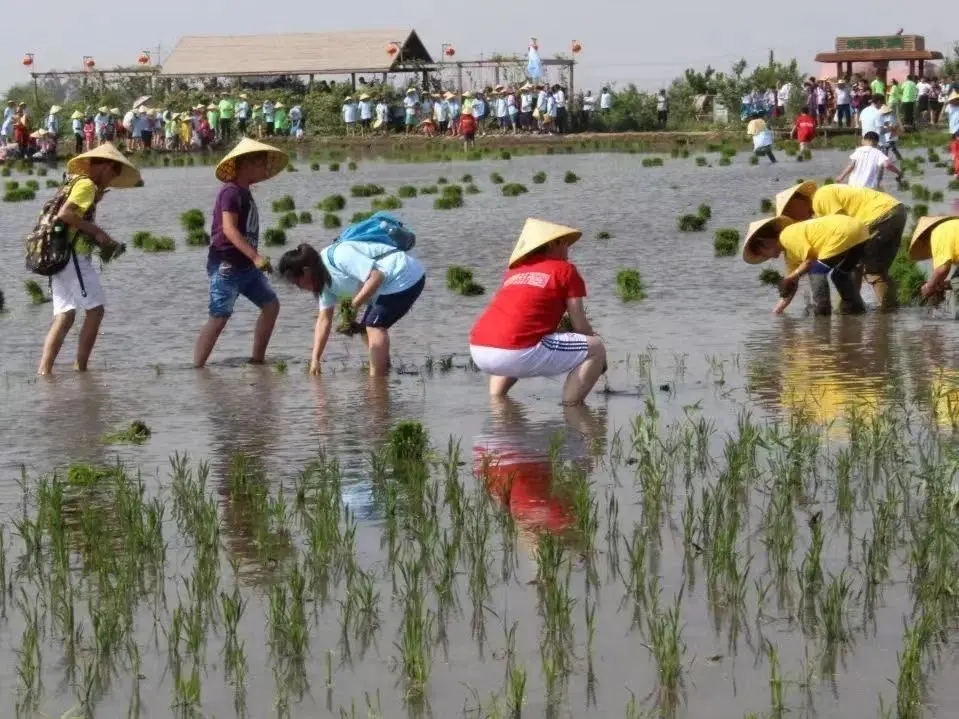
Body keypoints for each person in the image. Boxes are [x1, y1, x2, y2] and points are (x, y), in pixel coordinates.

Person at [468, 218, 607, 405]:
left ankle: (497, 405)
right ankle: (572, 409)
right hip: (515, 351)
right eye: (565, 243)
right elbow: (580, 325)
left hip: (479, 348)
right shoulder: (565, 270)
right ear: (552, 244)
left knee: (516, 345)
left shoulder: (515, 271)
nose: (568, 250)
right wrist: (599, 360)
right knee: (595, 348)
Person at [37, 143, 138, 375]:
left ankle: (45, 371)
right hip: (72, 257)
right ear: (103, 167)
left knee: (65, 315)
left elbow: (69, 213)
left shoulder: (76, 183)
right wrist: (98, 233)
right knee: (96, 310)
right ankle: (81, 368)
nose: (113, 178)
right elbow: (66, 214)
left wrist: (95, 201)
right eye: (114, 172)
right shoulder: (86, 185)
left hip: (57, 255)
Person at [277, 226, 426, 377]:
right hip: (387, 286)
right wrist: (315, 359)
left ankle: (377, 381)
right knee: (365, 330)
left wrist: (353, 305)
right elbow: (324, 320)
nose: (299, 287)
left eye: (297, 282)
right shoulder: (322, 283)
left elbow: (376, 277)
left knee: (374, 327)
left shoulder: (339, 255)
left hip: (404, 275)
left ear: (306, 271)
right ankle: (384, 369)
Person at [194, 138, 285, 369]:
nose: (264, 170)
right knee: (219, 316)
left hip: (246, 267)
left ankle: (257, 360)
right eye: (261, 164)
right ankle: (197, 368)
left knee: (271, 305)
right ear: (246, 165)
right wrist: (256, 257)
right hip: (227, 265)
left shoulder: (245, 192)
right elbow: (229, 229)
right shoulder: (231, 192)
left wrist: (253, 259)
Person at [775, 181, 906, 309]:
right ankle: (856, 307)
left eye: (791, 213)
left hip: (878, 215)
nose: (795, 220)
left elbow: (844, 226)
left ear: (797, 203)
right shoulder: (820, 204)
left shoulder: (820, 197)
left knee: (872, 270)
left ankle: (888, 313)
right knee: (861, 267)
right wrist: (779, 308)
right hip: (895, 211)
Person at [741, 214, 871, 315]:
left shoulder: (786, 236)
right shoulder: (790, 254)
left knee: (816, 271)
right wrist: (778, 310)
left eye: (764, 254)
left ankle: (822, 314)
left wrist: (791, 277)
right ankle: (857, 310)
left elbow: (810, 261)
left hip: (843, 232)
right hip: (860, 232)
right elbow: (791, 284)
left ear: (766, 242)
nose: (768, 258)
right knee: (840, 275)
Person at [909, 216, 959, 302]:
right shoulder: (949, 228)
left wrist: (929, 287)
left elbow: (942, 269)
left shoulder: (938, 234)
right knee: (955, 280)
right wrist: (942, 284)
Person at [835, 131, 903, 189]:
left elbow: (851, 165)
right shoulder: (878, 153)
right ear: (877, 142)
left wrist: (841, 177)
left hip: (853, 186)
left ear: (864, 140)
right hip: (869, 188)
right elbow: (887, 165)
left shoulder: (858, 151)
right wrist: (899, 172)